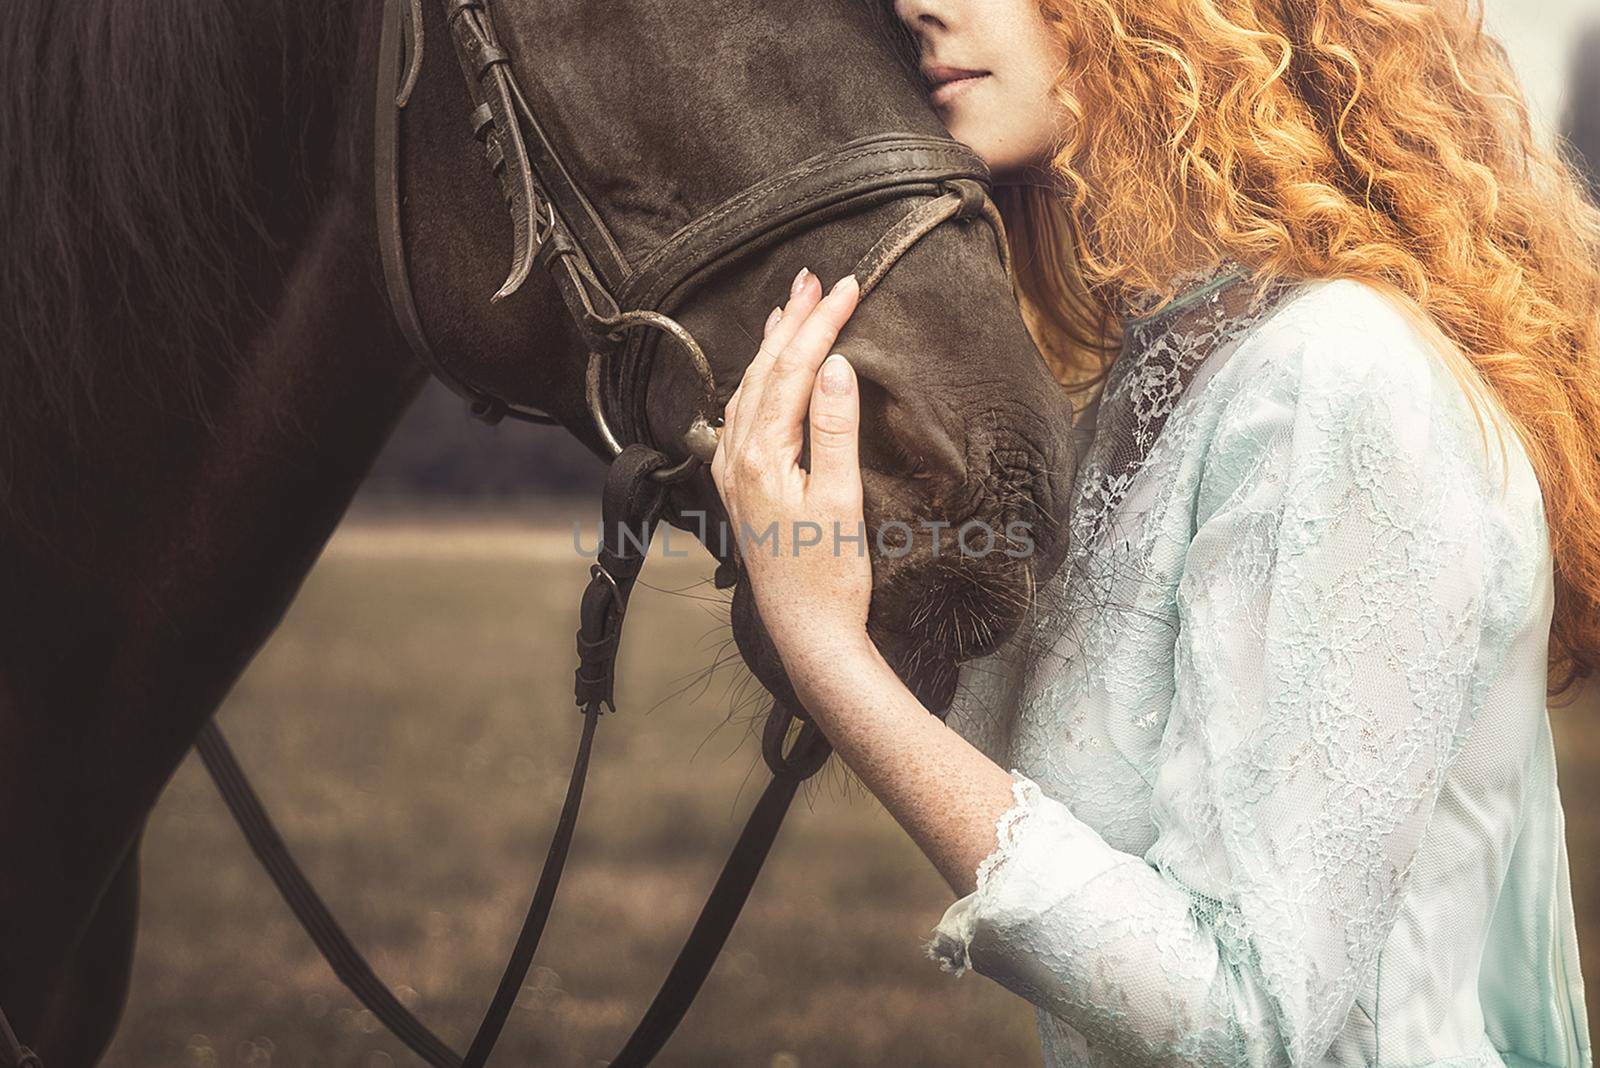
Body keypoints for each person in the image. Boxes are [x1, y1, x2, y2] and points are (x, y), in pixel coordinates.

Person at [708, 0, 1600, 1064]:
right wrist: (802, 534)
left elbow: (1253, 1026)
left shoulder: (1339, 375)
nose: (914, 4)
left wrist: (828, 654)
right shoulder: (1159, 378)